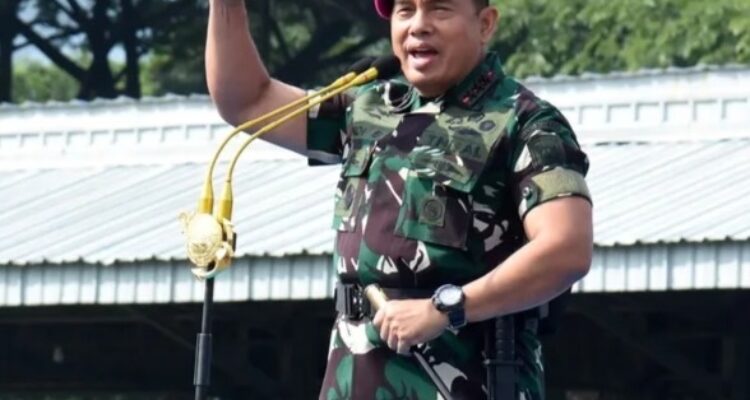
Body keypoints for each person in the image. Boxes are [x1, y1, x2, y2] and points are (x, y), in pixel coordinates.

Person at [205, 0, 593, 398]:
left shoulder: (525, 121)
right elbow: (247, 101)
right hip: (353, 379)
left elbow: (566, 249)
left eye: (439, 10)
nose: (419, 26)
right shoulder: (368, 107)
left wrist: (447, 308)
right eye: (405, 10)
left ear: (485, 24)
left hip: (467, 381)